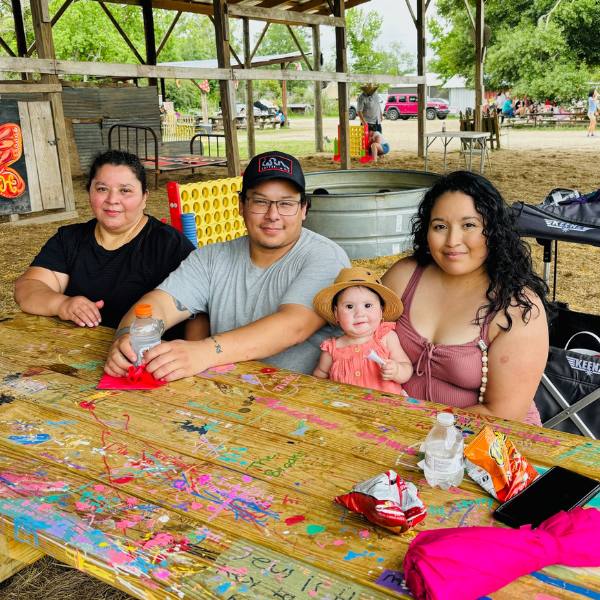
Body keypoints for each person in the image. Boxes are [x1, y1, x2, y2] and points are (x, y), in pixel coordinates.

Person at [105, 150, 350, 381]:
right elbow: (158, 303)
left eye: (286, 204)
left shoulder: (325, 257)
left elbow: (293, 326)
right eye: (260, 202)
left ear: (304, 209)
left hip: (302, 400)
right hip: (226, 393)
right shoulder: (211, 258)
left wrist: (204, 352)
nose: (273, 215)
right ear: (241, 206)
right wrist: (127, 337)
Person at [382, 171, 549, 425]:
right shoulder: (403, 277)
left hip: (487, 444)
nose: (452, 241)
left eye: (469, 225)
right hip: (392, 428)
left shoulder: (517, 307)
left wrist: (412, 426)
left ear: (492, 231)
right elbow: (361, 341)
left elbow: (502, 415)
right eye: (440, 226)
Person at [14, 150, 195, 333]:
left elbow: (200, 310)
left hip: (143, 354)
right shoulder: (69, 239)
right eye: (102, 189)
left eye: (125, 190)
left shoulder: (169, 245)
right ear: (89, 192)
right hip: (72, 351)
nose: (112, 200)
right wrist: (62, 304)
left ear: (144, 197)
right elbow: (27, 288)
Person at [312, 267, 412, 395]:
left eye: (368, 305)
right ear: (336, 314)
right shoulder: (332, 349)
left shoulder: (385, 337)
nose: (359, 313)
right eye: (349, 306)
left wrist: (397, 370)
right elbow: (319, 375)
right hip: (344, 408)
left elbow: (406, 367)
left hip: (386, 408)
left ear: (381, 311)